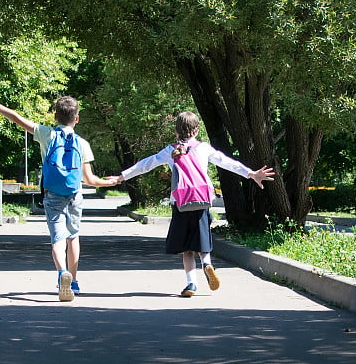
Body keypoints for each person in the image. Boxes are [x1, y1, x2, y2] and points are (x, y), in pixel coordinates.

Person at [0, 87, 117, 302]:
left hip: (52, 195)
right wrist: (108, 182)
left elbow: (16, 118)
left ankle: (62, 274)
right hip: (74, 195)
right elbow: (89, 180)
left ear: (54, 116)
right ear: (76, 119)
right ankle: (74, 280)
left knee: (57, 238)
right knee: (73, 236)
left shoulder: (47, 134)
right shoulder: (82, 144)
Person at [113, 111, 274, 297]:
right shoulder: (204, 148)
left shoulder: (170, 151)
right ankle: (207, 263)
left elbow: (146, 164)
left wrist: (122, 176)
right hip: (202, 202)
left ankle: (191, 285)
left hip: (181, 204)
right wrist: (251, 173)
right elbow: (226, 162)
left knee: (186, 249)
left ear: (176, 131)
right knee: (202, 242)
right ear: (197, 130)